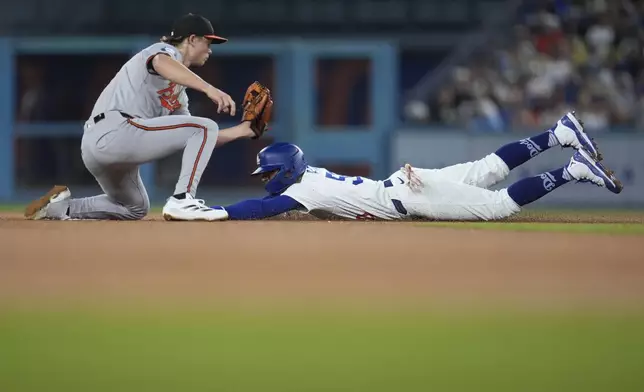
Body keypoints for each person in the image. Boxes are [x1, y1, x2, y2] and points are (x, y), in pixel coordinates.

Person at [24, 13, 271, 221]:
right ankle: (183, 199)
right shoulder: (164, 51)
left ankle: (60, 208)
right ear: (192, 39)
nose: (210, 49)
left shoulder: (178, 93)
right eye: (208, 42)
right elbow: (162, 63)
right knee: (203, 126)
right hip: (113, 130)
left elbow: (196, 136)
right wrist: (209, 88)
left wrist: (243, 130)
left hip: (104, 145)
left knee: (134, 208)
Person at [210, 112, 622, 221]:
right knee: (489, 167)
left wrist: (219, 212)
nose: (266, 181)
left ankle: (572, 170)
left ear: (284, 170)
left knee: (498, 205)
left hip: (410, 195)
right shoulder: (309, 178)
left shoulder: (302, 190)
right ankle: (557, 135)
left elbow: (261, 209)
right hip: (407, 183)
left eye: (268, 174)